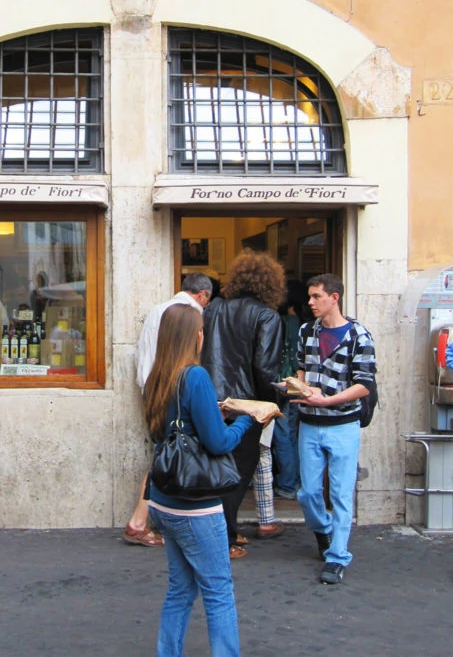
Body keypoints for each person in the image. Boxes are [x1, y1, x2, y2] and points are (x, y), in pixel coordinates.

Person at [145, 304, 253, 657]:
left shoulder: (158, 376)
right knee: (219, 590)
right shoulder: (195, 377)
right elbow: (219, 442)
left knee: (180, 588)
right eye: (202, 329)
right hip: (195, 506)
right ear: (195, 336)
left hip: (163, 498)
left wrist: (213, 413)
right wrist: (248, 418)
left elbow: (170, 429)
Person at [292, 273, 376, 585]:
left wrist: (328, 401)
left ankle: (337, 556)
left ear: (334, 298)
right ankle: (324, 531)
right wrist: (297, 387)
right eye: (310, 297)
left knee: (341, 494)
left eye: (316, 297)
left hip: (342, 424)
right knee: (308, 492)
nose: (310, 302)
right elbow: (302, 366)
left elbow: (364, 385)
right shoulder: (306, 331)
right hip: (310, 422)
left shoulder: (358, 335)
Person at [200, 249, 285, 558]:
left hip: (210, 400)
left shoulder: (213, 309)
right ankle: (224, 539)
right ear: (271, 284)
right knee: (237, 476)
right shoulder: (267, 316)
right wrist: (271, 405)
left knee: (214, 471)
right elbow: (265, 368)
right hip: (245, 406)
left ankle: (225, 532)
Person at [123, 273, 214, 547]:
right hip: (172, 390)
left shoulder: (158, 310)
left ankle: (142, 521)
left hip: (154, 389)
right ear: (203, 295)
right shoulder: (189, 315)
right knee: (166, 456)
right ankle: (139, 522)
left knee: (165, 454)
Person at [271, 281, 306, 499]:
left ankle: (285, 483)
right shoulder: (302, 324)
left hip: (282, 382)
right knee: (293, 432)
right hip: (297, 381)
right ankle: (295, 480)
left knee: (282, 433)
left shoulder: (281, 322)